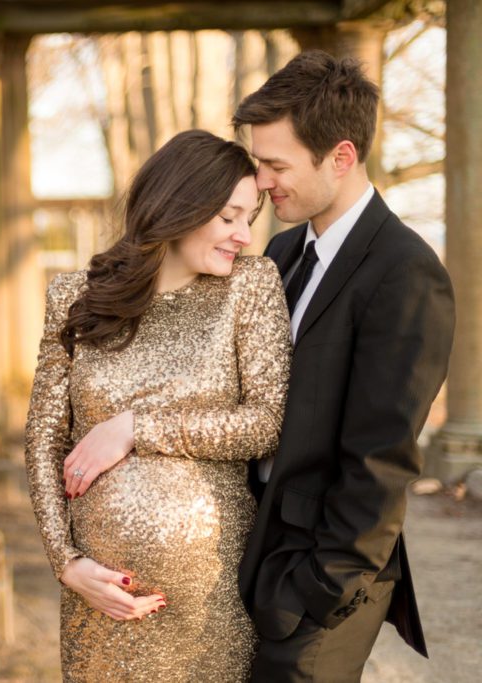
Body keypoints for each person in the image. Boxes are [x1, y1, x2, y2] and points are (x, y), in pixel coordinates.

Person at [23, 129, 292, 682]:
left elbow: (267, 423)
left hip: (208, 603)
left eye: (250, 217)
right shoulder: (73, 297)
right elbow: (46, 437)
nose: (244, 234)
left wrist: (136, 427)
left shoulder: (251, 286)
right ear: (178, 208)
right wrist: (66, 563)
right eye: (228, 217)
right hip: (99, 603)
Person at [231, 50, 455, 681]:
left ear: (342, 157)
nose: (263, 182)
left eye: (276, 165)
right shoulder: (279, 250)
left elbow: (382, 459)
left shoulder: (407, 274)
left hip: (320, 575)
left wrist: (322, 588)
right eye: (259, 162)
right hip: (254, 549)